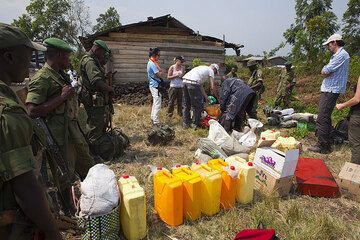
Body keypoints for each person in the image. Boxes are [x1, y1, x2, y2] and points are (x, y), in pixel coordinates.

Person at [0, 23, 62, 240]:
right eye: (28, 56)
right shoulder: (7, 112)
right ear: (9, 57)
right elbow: (24, 186)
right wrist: (53, 233)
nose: (32, 63)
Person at [26, 37, 95, 181]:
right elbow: (32, 111)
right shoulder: (42, 78)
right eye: (67, 56)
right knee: (66, 173)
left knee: (86, 163)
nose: (69, 60)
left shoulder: (60, 74)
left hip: (71, 128)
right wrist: (61, 97)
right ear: (58, 55)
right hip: (59, 135)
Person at [309, 33, 350, 154]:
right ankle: (327, 140)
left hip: (331, 89)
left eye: (329, 44)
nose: (328, 47)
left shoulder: (341, 55)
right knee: (325, 117)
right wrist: (327, 71)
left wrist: (326, 70)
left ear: (335, 43)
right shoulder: (337, 55)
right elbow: (326, 71)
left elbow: (325, 70)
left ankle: (323, 146)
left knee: (322, 118)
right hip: (329, 89)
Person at [79, 40, 119, 159]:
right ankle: (94, 154)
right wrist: (110, 89)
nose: (103, 56)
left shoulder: (93, 61)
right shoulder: (89, 61)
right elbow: (96, 81)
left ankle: (98, 151)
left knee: (100, 124)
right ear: (97, 50)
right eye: (103, 53)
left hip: (97, 99)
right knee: (95, 127)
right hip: (92, 99)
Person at [182, 63, 220, 128]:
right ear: (214, 69)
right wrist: (218, 98)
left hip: (184, 82)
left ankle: (186, 123)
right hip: (193, 84)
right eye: (215, 72)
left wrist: (206, 97)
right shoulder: (210, 70)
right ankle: (195, 124)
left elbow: (200, 86)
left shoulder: (201, 68)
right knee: (198, 105)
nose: (215, 74)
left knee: (186, 104)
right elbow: (212, 86)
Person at [336, 76, 360, 164]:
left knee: (356, 146)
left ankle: (355, 174)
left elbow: (357, 99)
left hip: (358, 115)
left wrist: (342, 105)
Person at [147, 47, 163, 126]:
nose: (159, 57)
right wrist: (160, 73)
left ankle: (153, 118)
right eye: (158, 55)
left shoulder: (152, 62)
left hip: (154, 85)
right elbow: (158, 74)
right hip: (155, 85)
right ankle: (156, 121)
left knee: (155, 102)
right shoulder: (152, 63)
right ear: (154, 55)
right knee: (157, 104)